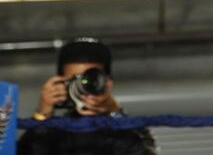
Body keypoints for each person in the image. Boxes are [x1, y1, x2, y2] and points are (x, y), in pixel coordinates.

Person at [17, 38, 156, 155]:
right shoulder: (51, 132)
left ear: (107, 83)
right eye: (74, 81)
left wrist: (115, 113)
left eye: (90, 80)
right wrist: (41, 116)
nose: (82, 87)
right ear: (60, 82)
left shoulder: (123, 129)